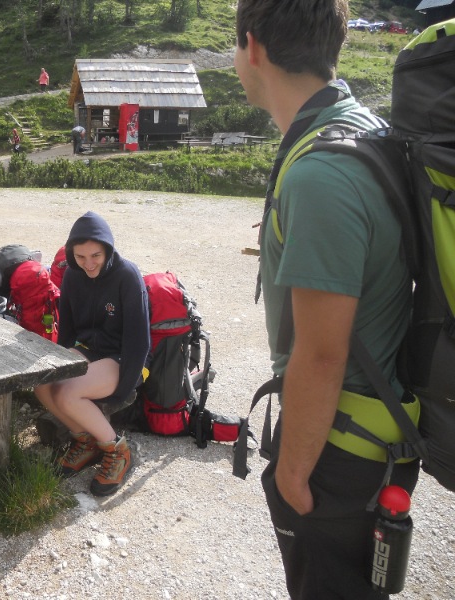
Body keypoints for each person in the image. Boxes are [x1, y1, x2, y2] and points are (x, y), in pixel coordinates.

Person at [234, 1, 419, 598]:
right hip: (378, 432)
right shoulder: (361, 126)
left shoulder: (320, 174)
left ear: (253, 47)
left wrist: (291, 474)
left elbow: (321, 355)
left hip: (340, 452)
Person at [35, 211, 150, 496]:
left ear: (108, 249)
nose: (88, 263)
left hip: (124, 358)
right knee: (42, 384)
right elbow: (67, 329)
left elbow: (139, 341)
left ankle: (118, 451)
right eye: (81, 256)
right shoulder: (72, 275)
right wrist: (59, 365)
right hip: (89, 350)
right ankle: (85, 441)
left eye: (96, 255)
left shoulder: (127, 275)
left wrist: (124, 388)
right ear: (72, 254)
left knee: (67, 393)